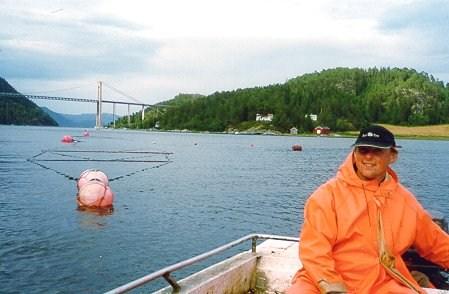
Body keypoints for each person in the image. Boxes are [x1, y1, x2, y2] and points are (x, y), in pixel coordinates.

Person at [287, 125, 449, 294]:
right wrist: (334, 288)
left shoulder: (406, 201)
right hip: (323, 281)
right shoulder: (326, 196)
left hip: (381, 282)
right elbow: (314, 252)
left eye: (377, 151)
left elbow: (436, 244)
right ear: (354, 153)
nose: (368, 157)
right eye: (363, 150)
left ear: (392, 156)